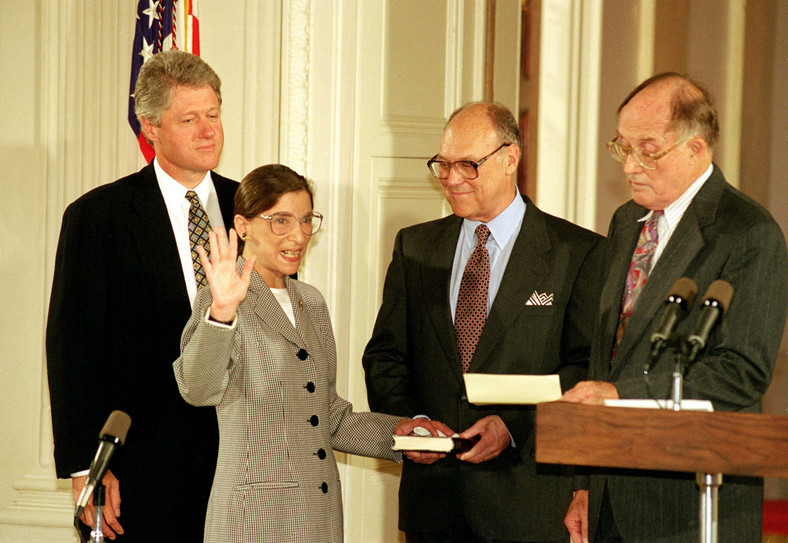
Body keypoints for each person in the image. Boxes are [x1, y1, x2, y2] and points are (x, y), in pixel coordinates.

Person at [362, 101, 605, 542]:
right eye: (443, 164)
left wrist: (512, 426)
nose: (452, 178)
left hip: (528, 505)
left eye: (468, 165)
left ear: (510, 157)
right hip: (434, 506)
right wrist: (411, 421)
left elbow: (585, 368)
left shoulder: (578, 253)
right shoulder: (415, 248)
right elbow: (386, 355)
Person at [561, 72, 788, 543]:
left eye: (648, 149)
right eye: (621, 146)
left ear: (696, 148)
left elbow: (741, 370)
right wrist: (584, 482)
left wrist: (623, 396)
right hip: (609, 495)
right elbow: (606, 355)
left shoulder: (748, 232)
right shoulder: (627, 222)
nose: (629, 165)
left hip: (690, 504)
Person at [172, 164, 429, 542]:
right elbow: (197, 388)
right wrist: (223, 313)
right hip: (254, 520)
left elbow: (326, 416)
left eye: (307, 220)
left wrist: (398, 434)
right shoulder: (219, 300)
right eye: (281, 221)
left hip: (317, 516)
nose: (299, 235)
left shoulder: (311, 301)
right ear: (242, 226)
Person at [46, 50, 237, 541]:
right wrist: (88, 464)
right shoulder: (98, 216)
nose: (207, 130)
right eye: (189, 119)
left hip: (246, 463)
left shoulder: (253, 206)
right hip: (145, 470)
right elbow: (74, 347)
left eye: (213, 114)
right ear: (150, 127)